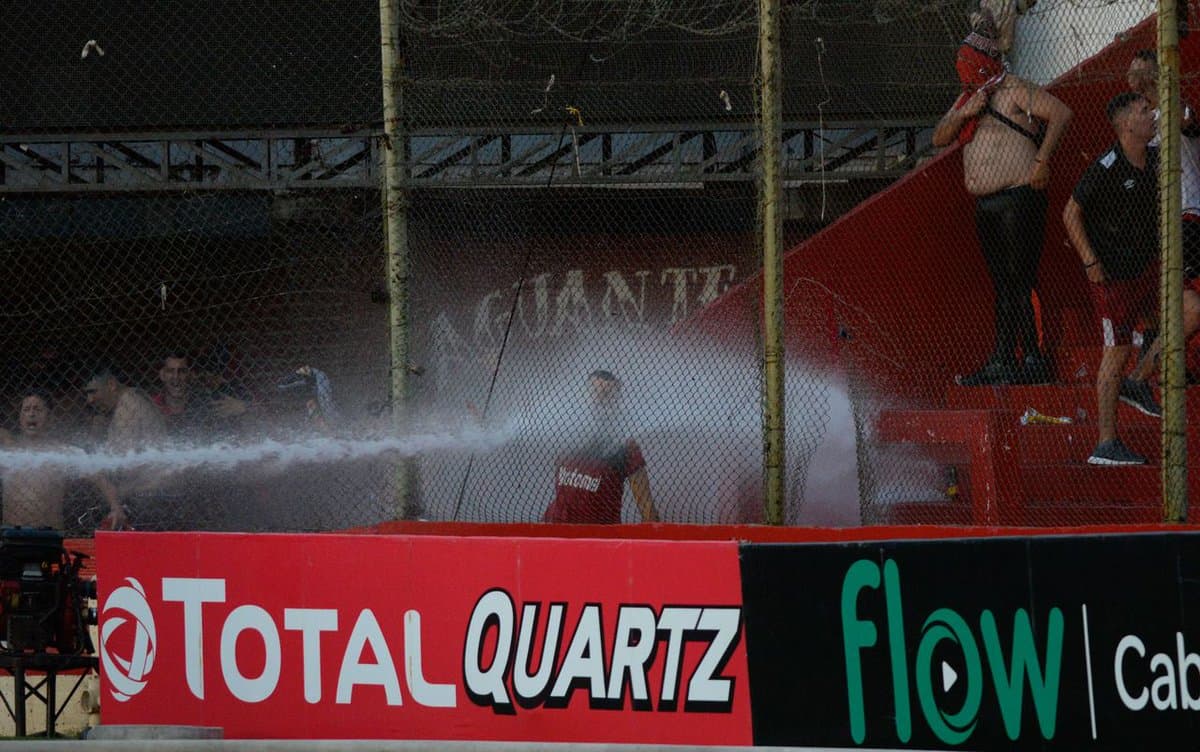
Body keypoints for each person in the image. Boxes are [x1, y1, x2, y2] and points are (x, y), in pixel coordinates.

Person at [932, 18, 1072, 385]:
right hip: (986, 204)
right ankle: (1004, 358)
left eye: (968, 61)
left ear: (982, 61)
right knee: (1003, 284)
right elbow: (939, 138)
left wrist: (1041, 161)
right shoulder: (967, 97)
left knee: (1019, 280)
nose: (962, 68)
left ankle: (1032, 358)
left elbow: (1061, 114)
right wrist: (966, 111)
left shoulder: (1013, 89)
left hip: (1018, 196)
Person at [1063, 92, 1200, 465]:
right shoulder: (1106, 167)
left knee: (1192, 309)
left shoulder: (1156, 159)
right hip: (1115, 276)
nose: (1151, 116)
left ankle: (1139, 379)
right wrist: (1090, 261)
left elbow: (1185, 120)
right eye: (1143, 112)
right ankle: (1106, 443)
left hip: (1150, 268)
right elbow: (1070, 213)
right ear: (1126, 124)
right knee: (1116, 351)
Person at [543, 370, 659, 524]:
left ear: (616, 401)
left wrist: (654, 541)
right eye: (594, 393)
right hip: (556, 530)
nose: (599, 400)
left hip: (599, 537)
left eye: (606, 394)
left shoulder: (625, 446)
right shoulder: (566, 433)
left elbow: (646, 506)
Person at [0, 389, 126, 529]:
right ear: (20, 417)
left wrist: (116, 508)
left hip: (48, 535)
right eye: (26, 410)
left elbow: (100, 478)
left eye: (38, 409)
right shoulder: (8, 447)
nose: (31, 414)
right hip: (10, 534)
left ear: (49, 417)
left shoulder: (63, 452)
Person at [84, 366, 171, 525]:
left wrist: (101, 479)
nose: (89, 400)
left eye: (93, 391)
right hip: (148, 493)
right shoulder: (128, 401)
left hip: (149, 495)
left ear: (111, 385)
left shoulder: (126, 407)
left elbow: (124, 467)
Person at [152, 351, 248, 440]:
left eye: (182, 371)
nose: (176, 376)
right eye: (170, 371)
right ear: (162, 375)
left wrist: (243, 407)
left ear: (190, 375)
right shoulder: (154, 404)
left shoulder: (206, 401)